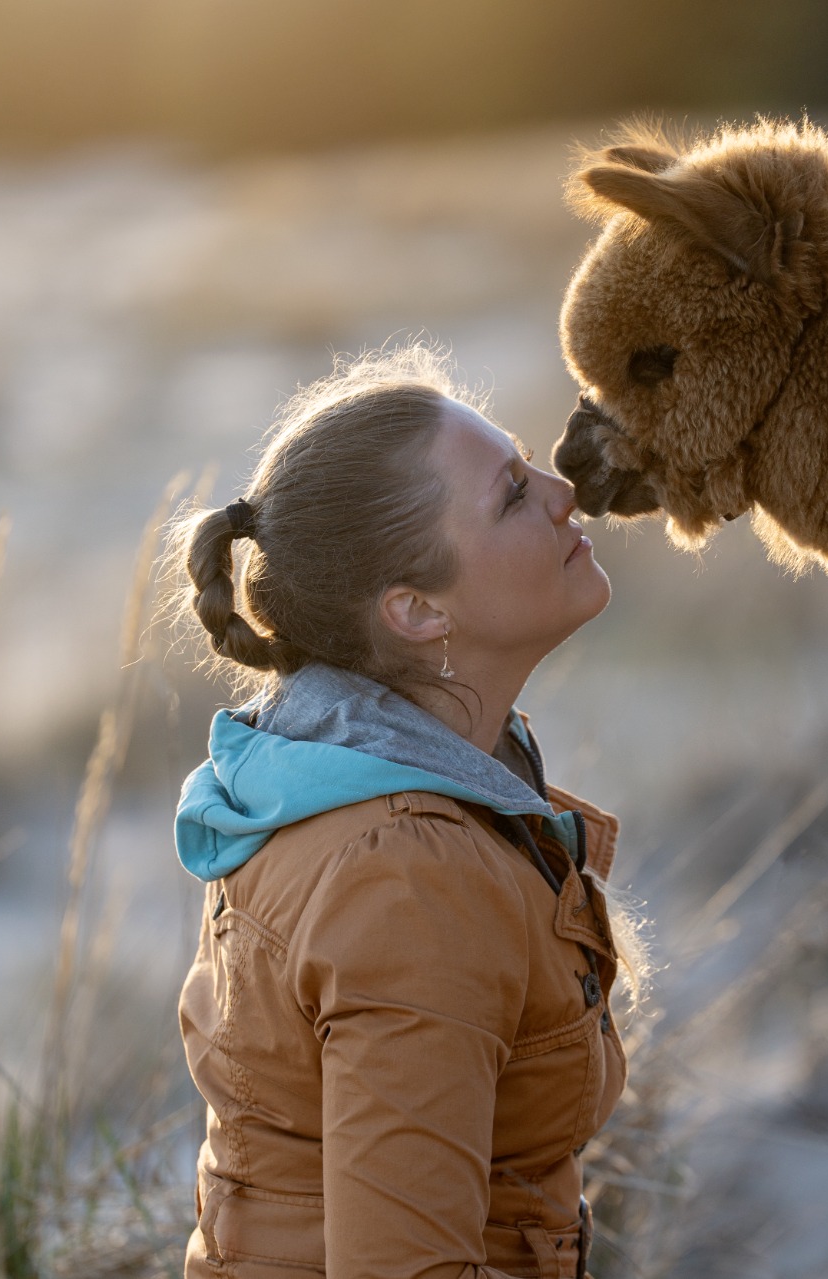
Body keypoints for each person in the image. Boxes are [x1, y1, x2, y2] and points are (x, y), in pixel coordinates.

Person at [171, 345, 637, 1279]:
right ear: (417, 610)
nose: (563, 491)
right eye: (511, 494)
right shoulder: (409, 876)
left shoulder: (362, 784)